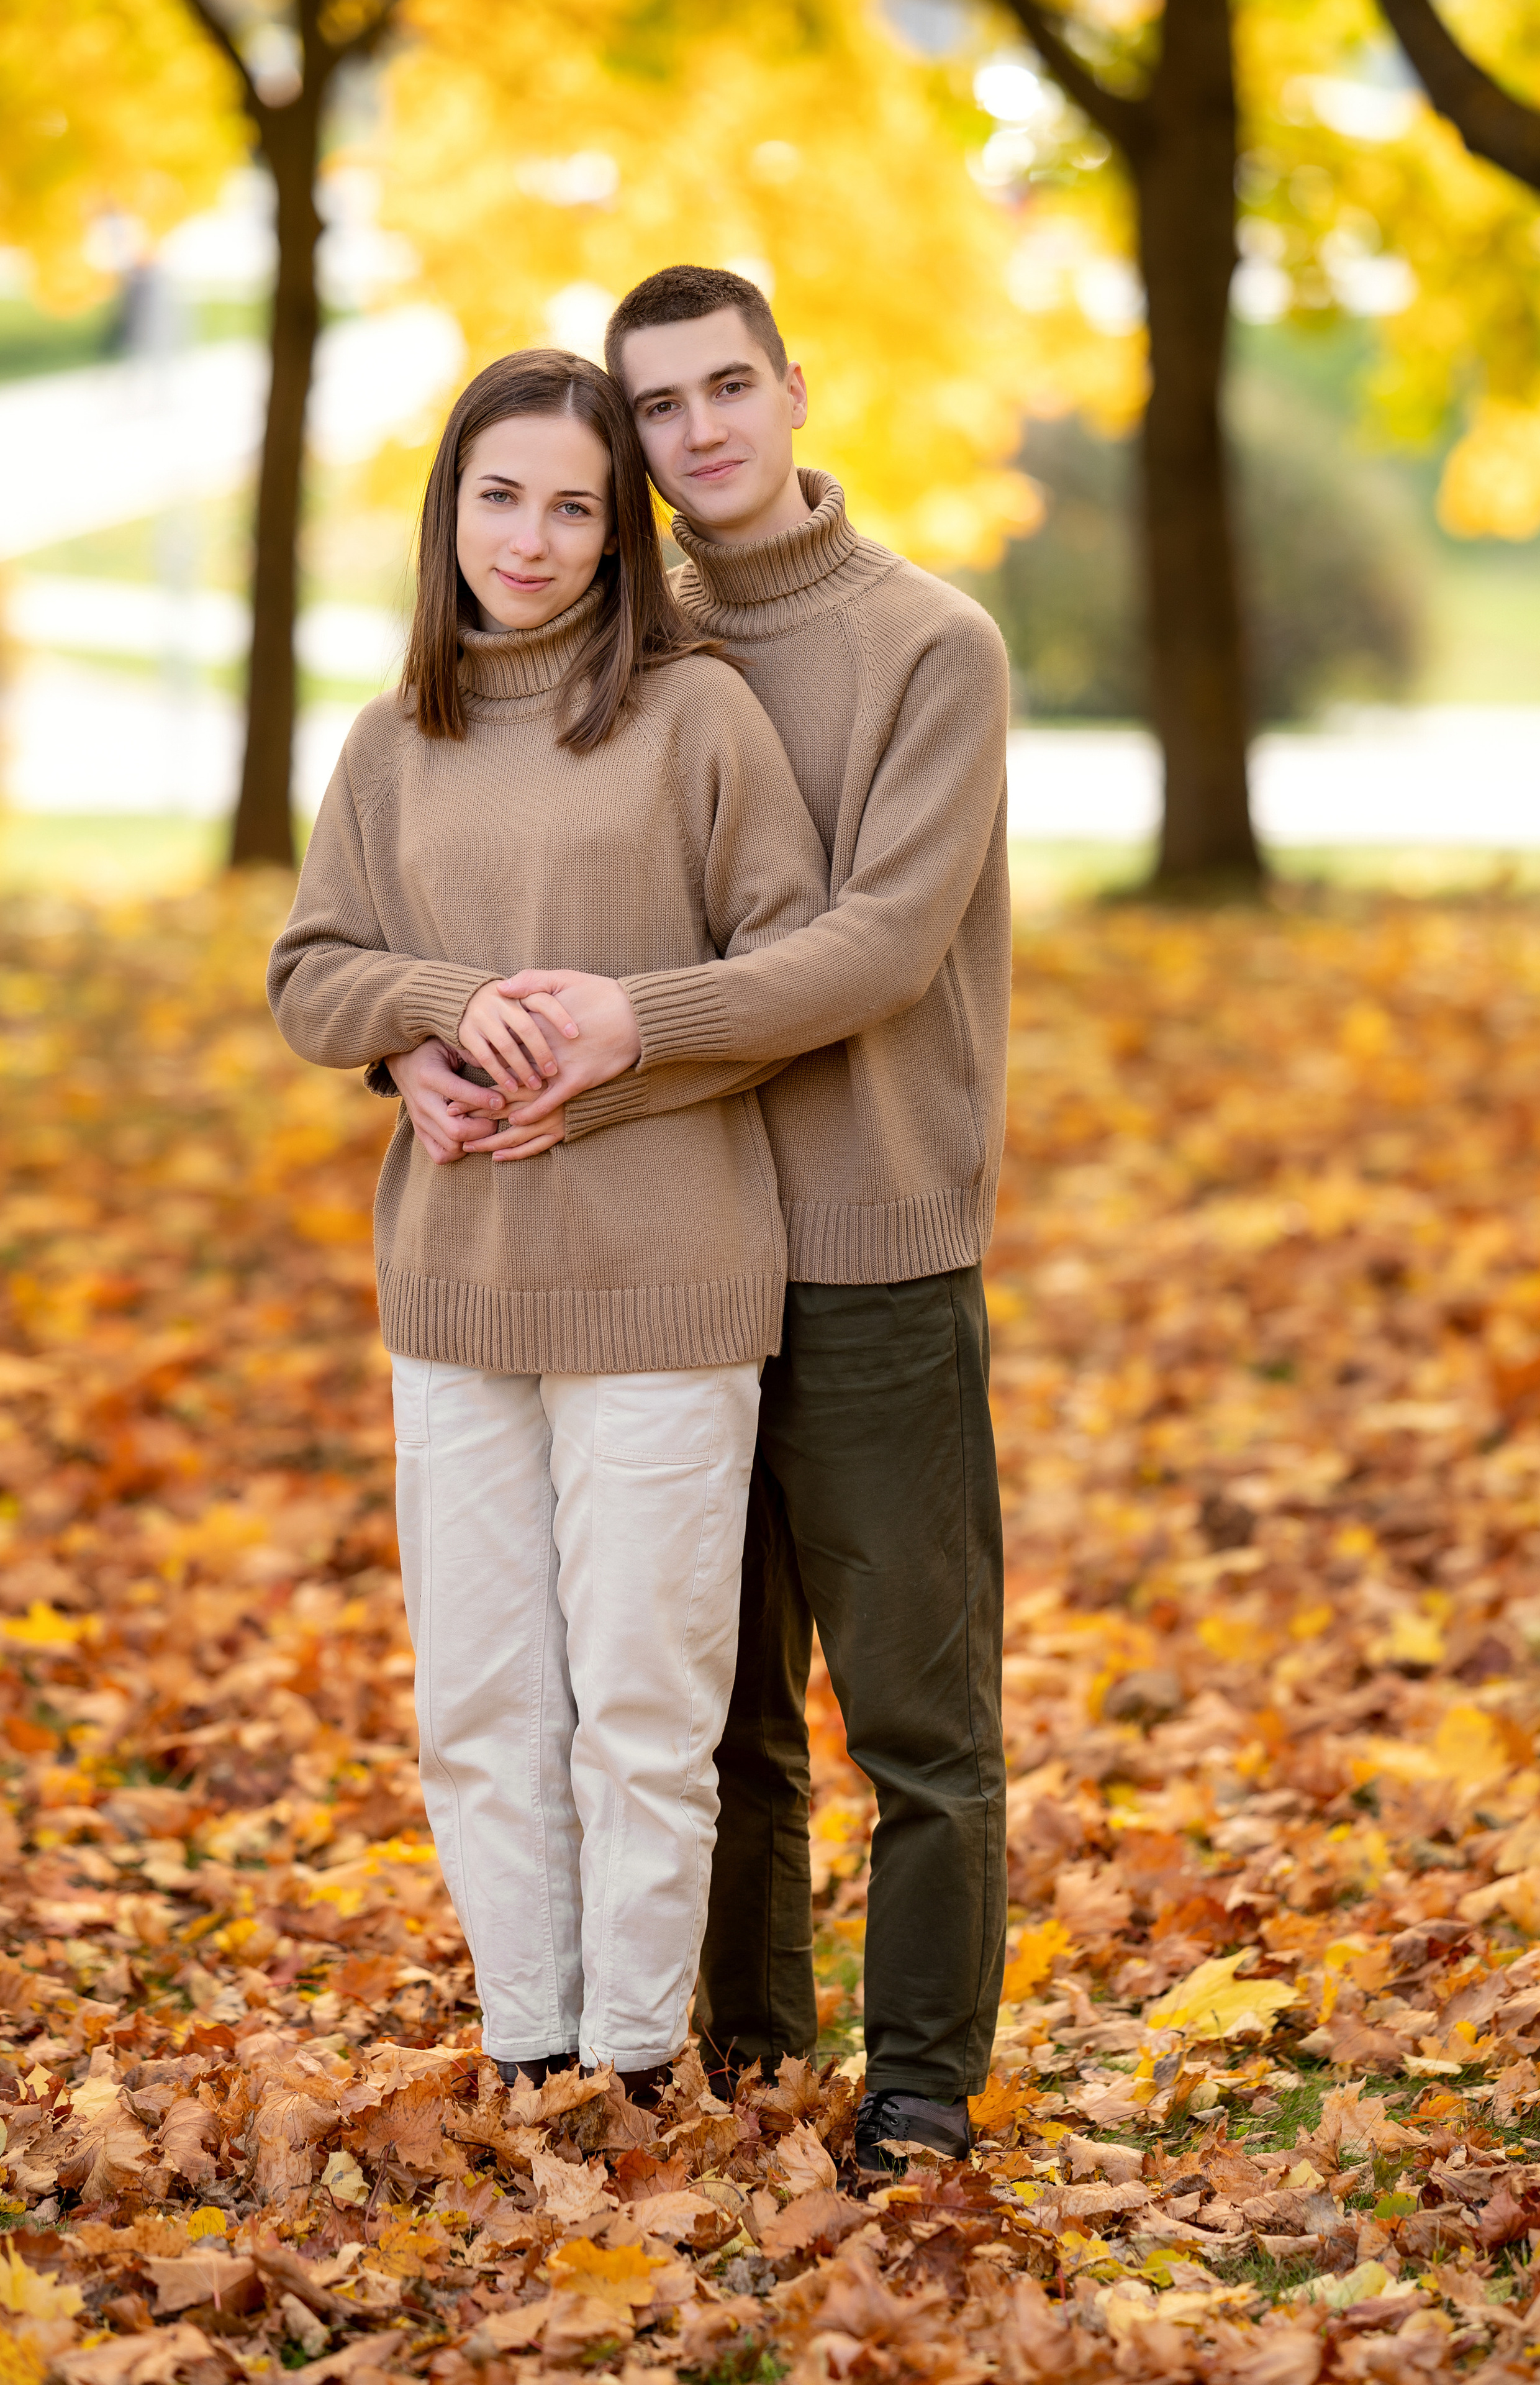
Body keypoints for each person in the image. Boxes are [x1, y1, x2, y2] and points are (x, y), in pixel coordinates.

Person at [384, 267, 1012, 2173]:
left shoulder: (930, 646)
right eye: (657, 406)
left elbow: (876, 947)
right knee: (705, 1710)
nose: (700, 431)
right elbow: (475, 908)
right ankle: (741, 2055)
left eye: (728, 387)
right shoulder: (607, 648)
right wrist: (413, 1045)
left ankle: (920, 2083)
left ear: (793, 390)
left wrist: (618, 1033)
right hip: (662, 1247)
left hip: (870, 1233)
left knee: (914, 1715)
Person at [267, 346, 832, 2106]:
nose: (530, 538)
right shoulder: (393, 740)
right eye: (499, 496)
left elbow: (791, 974)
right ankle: (529, 2050)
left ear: (619, 533)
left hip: (665, 1279)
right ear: (451, 506)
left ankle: (633, 2067)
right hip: (458, 1286)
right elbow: (312, 970)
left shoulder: (698, 717)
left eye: (574, 507)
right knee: (483, 1704)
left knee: (647, 1711)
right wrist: (421, 1025)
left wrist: (605, 1060)